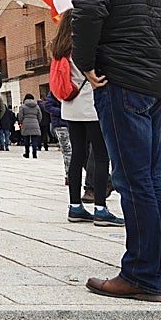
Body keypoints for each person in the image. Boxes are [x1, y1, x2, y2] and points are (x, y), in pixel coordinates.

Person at [70, 0, 161, 301]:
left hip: (119, 80)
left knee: (133, 181)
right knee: (152, 179)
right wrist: (153, 55)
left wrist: (86, 62)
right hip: (154, 84)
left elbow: (88, 10)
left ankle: (140, 275)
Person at [51, 12, 122, 226]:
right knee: (100, 155)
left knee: (77, 155)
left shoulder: (60, 48)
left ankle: (75, 206)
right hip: (91, 106)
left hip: (70, 106)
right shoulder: (86, 45)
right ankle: (100, 208)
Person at [17, 94, 42, 158]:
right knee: (34, 139)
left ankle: (27, 153)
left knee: (26, 139)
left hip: (26, 124)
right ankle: (34, 154)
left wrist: (21, 122)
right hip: (35, 123)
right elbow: (40, 116)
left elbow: (20, 116)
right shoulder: (37, 106)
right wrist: (37, 122)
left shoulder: (22, 107)